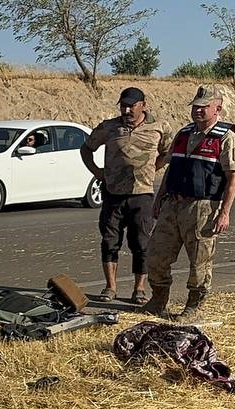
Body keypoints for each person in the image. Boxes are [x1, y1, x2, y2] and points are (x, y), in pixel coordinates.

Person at [142, 86, 235, 322]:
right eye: (195, 106)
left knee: (200, 260)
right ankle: (158, 299)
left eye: (203, 107)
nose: (197, 111)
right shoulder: (184, 133)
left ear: (217, 108)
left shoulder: (227, 138)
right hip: (173, 204)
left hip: (203, 206)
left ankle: (194, 305)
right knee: (156, 255)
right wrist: (159, 200)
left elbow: (232, 178)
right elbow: (171, 169)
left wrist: (224, 213)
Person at [81, 86, 171, 304]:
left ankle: (139, 288)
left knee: (141, 243)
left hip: (142, 195)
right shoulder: (109, 127)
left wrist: (151, 169)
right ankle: (110, 287)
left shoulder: (159, 127)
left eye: (132, 106)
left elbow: (167, 153)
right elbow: (86, 149)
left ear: (143, 105)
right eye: (123, 106)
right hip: (113, 195)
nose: (127, 110)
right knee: (110, 241)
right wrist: (98, 172)